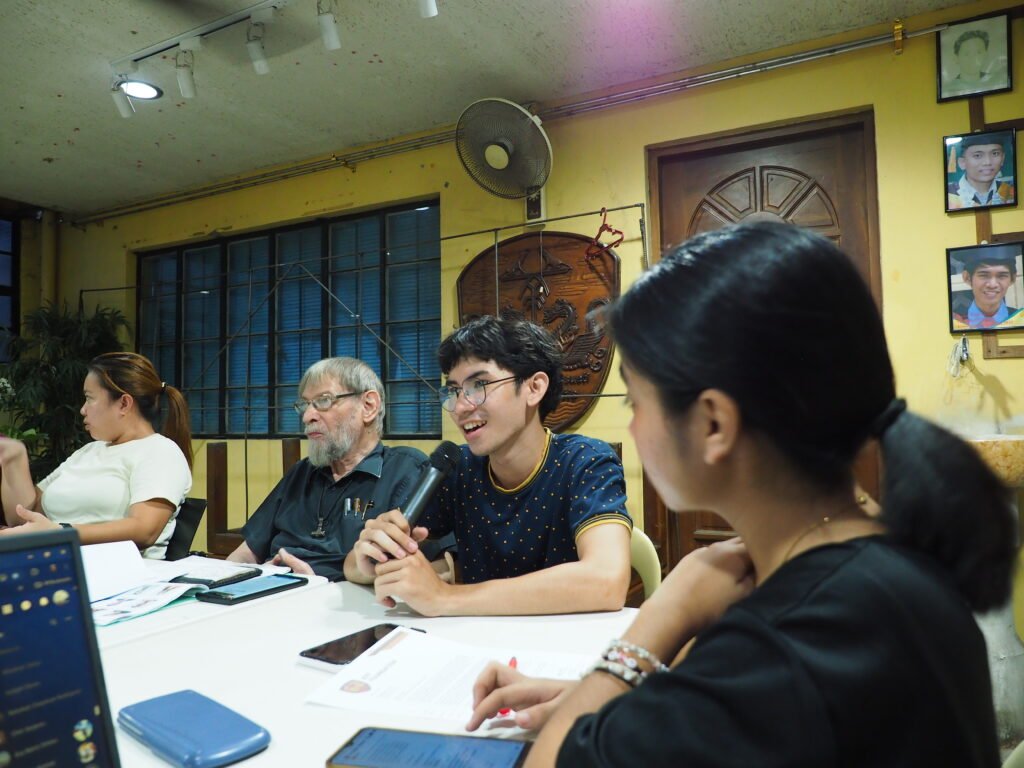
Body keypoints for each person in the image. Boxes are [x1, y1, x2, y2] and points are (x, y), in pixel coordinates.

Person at [467, 222, 1016, 766]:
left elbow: (549, 763)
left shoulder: (781, 648)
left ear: (714, 424)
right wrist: (601, 699)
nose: (632, 429)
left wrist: (660, 619)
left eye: (636, 402)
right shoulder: (889, 564)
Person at [344, 316, 632, 617]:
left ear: (534, 387)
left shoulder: (586, 461)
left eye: (479, 385)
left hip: (564, 639)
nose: (460, 407)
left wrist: (445, 597)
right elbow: (353, 565)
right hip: (474, 638)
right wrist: (370, 557)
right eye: (453, 391)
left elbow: (606, 581)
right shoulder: (458, 468)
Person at [227, 357, 429, 581]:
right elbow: (247, 552)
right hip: (273, 591)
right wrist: (222, 585)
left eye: (323, 401)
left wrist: (314, 584)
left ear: (368, 406)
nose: (307, 416)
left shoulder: (406, 470)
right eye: (305, 405)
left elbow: (425, 568)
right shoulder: (301, 472)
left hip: (344, 597)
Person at [0, 352, 193, 559]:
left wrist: (61, 533)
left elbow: (145, 530)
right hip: (53, 563)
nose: (83, 410)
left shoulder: (159, 451)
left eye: (89, 399)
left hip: (117, 571)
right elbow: (28, 517)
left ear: (124, 404)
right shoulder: (88, 451)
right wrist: (14, 455)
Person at [952, 249, 1024, 329]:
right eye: (984, 275)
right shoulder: (956, 322)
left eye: (1002, 276)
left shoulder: (1021, 319)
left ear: (1012, 278)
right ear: (967, 278)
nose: (992, 285)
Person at [947, 132, 1015, 209]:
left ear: (1002, 159)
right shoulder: (949, 193)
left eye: (995, 153)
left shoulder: (1010, 189)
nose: (987, 162)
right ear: (962, 163)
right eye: (977, 155)